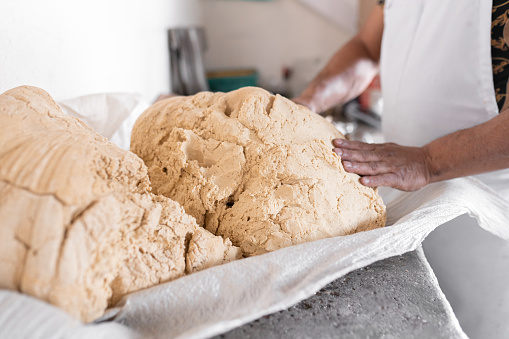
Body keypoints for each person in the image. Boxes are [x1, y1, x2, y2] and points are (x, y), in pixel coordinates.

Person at [293, 1, 509, 338]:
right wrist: (306, 104)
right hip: (404, 202)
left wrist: (427, 161)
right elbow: (366, 48)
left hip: (484, 225)